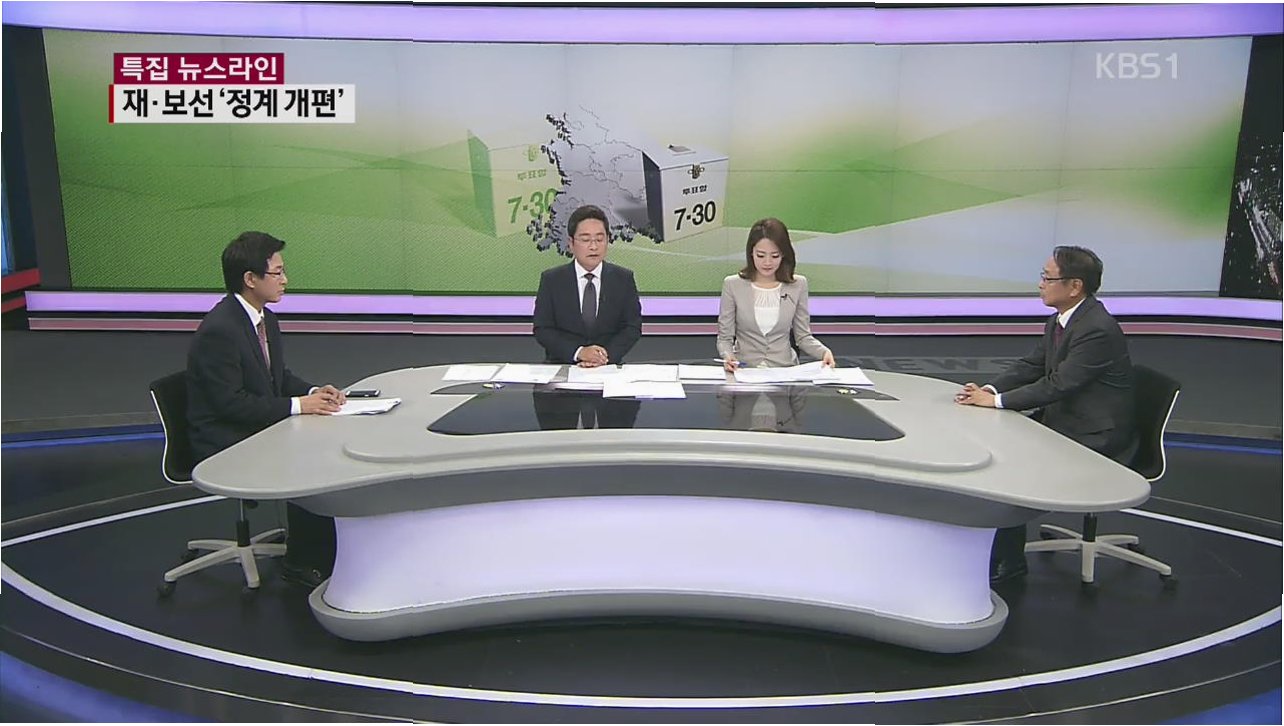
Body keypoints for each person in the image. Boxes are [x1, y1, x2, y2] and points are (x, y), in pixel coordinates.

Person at [956, 245, 1137, 584]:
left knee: (1009, 466)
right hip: (1064, 418)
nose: (1040, 284)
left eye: (1047, 278)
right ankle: (996, 547)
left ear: (1075, 286)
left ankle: (1009, 561)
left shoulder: (1096, 329)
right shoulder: (1062, 319)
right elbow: (1033, 366)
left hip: (1093, 434)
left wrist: (996, 402)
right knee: (998, 443)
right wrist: (989, 390)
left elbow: (1059, 384)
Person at [186, 231, 347, 588]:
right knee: (305, 454)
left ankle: (318, 547)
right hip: (223, 438)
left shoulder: (264, 318)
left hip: (249, 422)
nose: (285, 280)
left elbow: (278, 377)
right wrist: (299, 406)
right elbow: (230, 403)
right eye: (277, 272)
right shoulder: (221, 330)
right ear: (250, 278)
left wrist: (313, 392)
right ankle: (301, 560)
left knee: (318, 437)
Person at [717, 217, 835, 372]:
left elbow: (803, 337)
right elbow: (725, 338)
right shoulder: (733, 285)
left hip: (785, 370)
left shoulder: (798, 285)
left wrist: (824, 352)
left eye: (774, 256)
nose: (767, 262)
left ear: (783, 255)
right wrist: (728, 356)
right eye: (761, 255)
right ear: (751, 253)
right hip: (745, 371)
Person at [533, 205, 642, 367]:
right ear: (571, 243)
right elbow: (543, 329)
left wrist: (602, 357)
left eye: (599, 239)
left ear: (607, 240)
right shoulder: (552, 280)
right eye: (585, 240)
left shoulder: (623, 279)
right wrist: (579, 352)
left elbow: (632, 327)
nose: (593, 247)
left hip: (608, 367)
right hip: (562, 365)